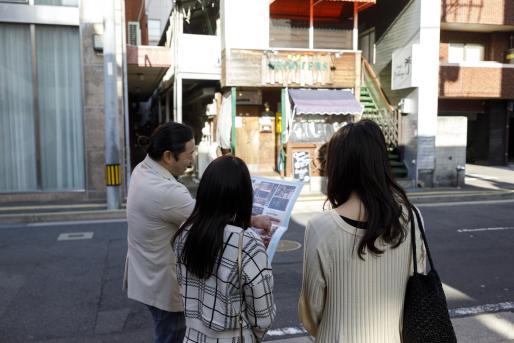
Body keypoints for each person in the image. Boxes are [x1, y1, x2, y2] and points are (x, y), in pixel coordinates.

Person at [124, 122, 274, 343]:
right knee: (170, 336)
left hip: (146, 273)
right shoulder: (166, 192)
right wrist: (253, 220)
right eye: (188, 154)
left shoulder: (142, 170)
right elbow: (208, 215)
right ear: (168, 156)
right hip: (162, 283)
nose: (191, 160)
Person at [298, 119, 426, 342]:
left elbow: (312, 308)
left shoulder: (321, 227)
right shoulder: (412, 218)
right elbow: (417, 286)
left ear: (338, 167)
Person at [173, 155, 276, 343]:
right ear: (244, 195)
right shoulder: (248, 243)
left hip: (192, 336)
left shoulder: (184, 232)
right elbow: (263, 317)